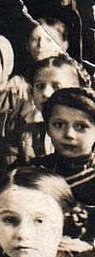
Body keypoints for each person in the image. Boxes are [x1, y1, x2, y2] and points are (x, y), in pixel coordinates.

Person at [38, 87, 95, 238]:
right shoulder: (34, 170)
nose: (69, 134)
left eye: (81, 127)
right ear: (47, 128)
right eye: (58, 125)